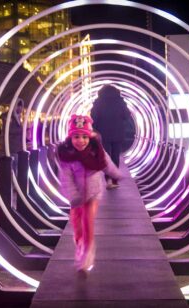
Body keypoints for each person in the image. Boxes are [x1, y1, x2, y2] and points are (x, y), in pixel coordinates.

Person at [57, 114, 121, 275]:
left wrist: (116, 174)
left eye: (84, 136)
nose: (81, 140)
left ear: (90, 136)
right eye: (76, 136)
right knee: (76, 222)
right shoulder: (67, 156)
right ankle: (80, 242)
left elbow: (106, 164)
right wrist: (73, 197)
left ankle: (87, 252)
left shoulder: (96, 151)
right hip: (76, 195)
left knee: (88, 220)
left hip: (93, 193)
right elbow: (66, 179)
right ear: (70, 137)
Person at [91, 85, 131, 189]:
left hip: (103, 133)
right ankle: (114, 180)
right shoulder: (120, 102)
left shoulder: (98, 102)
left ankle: (108, 179)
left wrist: (95, 128)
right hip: (118, 132)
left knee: (106, 156)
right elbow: (127, 115)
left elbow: (93, 117)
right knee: (115, 156)